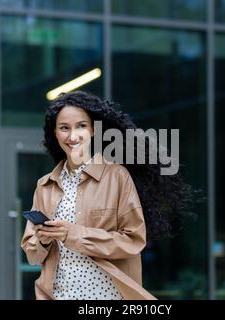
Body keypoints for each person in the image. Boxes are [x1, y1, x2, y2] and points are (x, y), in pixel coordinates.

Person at [21, 91, 199, 300]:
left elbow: (133, 240)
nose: (73, 136)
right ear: (55, 133)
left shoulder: (116, 177)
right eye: (64, 128)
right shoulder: (45, 185)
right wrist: (42, 240)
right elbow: (32, 255)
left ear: (93, 130)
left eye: (81, 126)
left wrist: (74, 234)